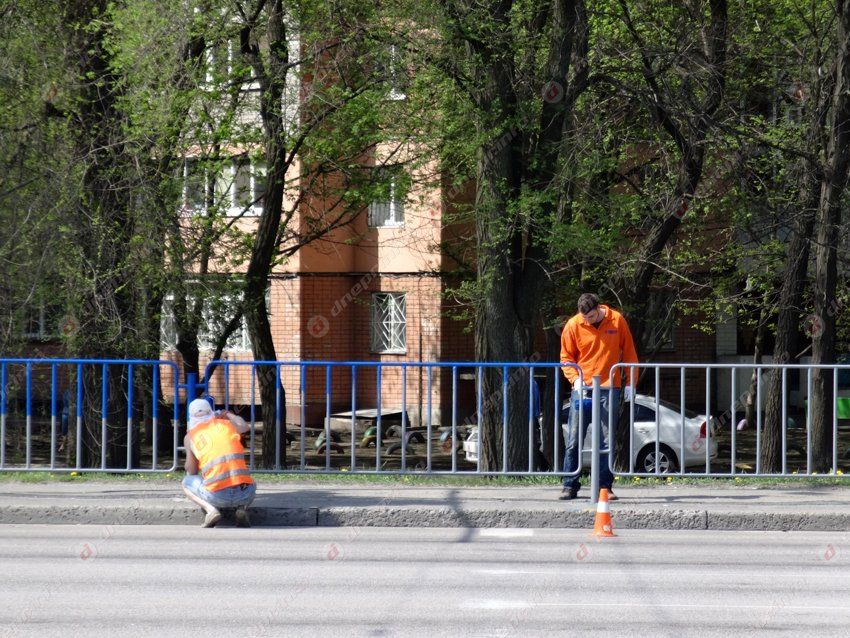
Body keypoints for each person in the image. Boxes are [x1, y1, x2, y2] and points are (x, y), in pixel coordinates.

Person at [559, 293, 639, 501]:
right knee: (574, 439)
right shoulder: (573, 324)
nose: (588, 321)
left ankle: (605, 486)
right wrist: (575, 379)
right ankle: (569, 485)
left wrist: (631, 382)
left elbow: (629, 352)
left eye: (592, 317)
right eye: (584, 318)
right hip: (582, 388)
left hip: (609, 387)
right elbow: (566, 357)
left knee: (606, 440)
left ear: (599, 309)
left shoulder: (617, 320)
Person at [182, 397, 256, 528]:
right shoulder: (227, 425)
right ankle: (241, 508)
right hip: (244, 493)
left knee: (186, 482)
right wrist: (227, 413)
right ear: (212, 412)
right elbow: (244, 426)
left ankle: (211, 510)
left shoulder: (191, 436)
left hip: (216, 496)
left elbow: (191, 470)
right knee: (251, 482)